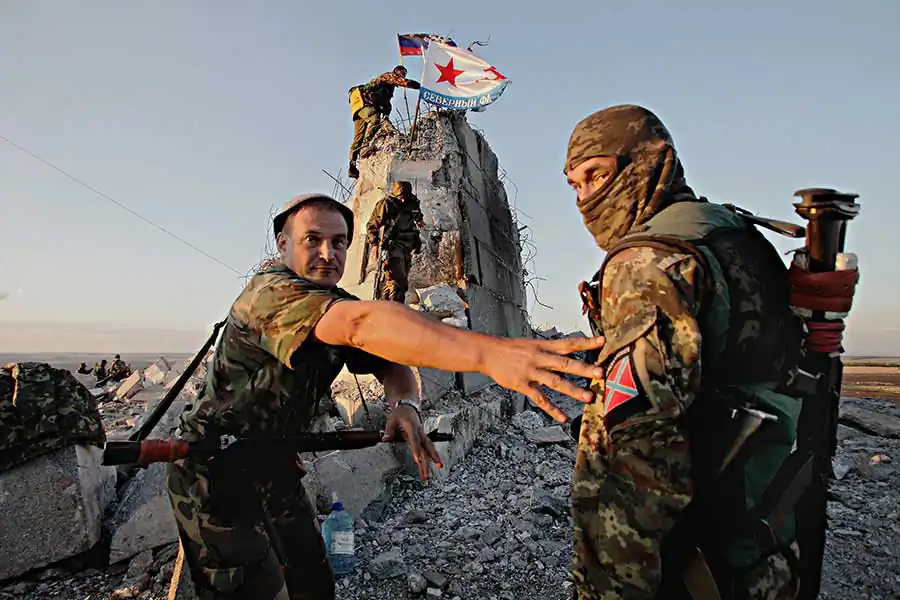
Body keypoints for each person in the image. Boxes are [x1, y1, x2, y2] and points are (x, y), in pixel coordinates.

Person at [165, 192, 606, 600]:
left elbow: (388, 360)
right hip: (215, 470)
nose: (327, 253)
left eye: (339, 243)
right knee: (253, 588)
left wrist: (405, 407)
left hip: (273, 463)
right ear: (283, 244)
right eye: (312, 240)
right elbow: (361, 325)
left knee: (313, 580)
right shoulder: (271, 293)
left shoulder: (329, 301)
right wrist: (490, 355)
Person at [563, 105, 807, 599]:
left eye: (598, 175)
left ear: (652, 161)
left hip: (699, 557)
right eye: (575, 185)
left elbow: (639, 453)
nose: (587, 197)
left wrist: (608, 588)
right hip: (764, 540)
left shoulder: (646, 261)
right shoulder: (731, 231)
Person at [348, 65, 420, 179]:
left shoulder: (387, 91)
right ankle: (365, 147)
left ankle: (352, 166)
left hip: (359, 105)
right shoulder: (388, 77)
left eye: (405, 73)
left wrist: (386, 116)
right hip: (364, 102)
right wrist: (420, 86)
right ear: (396, 71)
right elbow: (402, 82)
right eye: (402, 72)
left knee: (358, 138)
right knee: (375, 119)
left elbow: (387, 105)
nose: (403, 74)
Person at [366, 180, 424, 302]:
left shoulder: (412, 203)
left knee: (397, 283)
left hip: (407, 247)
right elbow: (372, 225)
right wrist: (374, 244)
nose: (403, 200)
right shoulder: (386, 204)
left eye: (405, 197)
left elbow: (417, 216)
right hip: (391, 246)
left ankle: (386, 308)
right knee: (397, 282)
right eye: (400, 197)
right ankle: (396, 312)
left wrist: (420, 222)